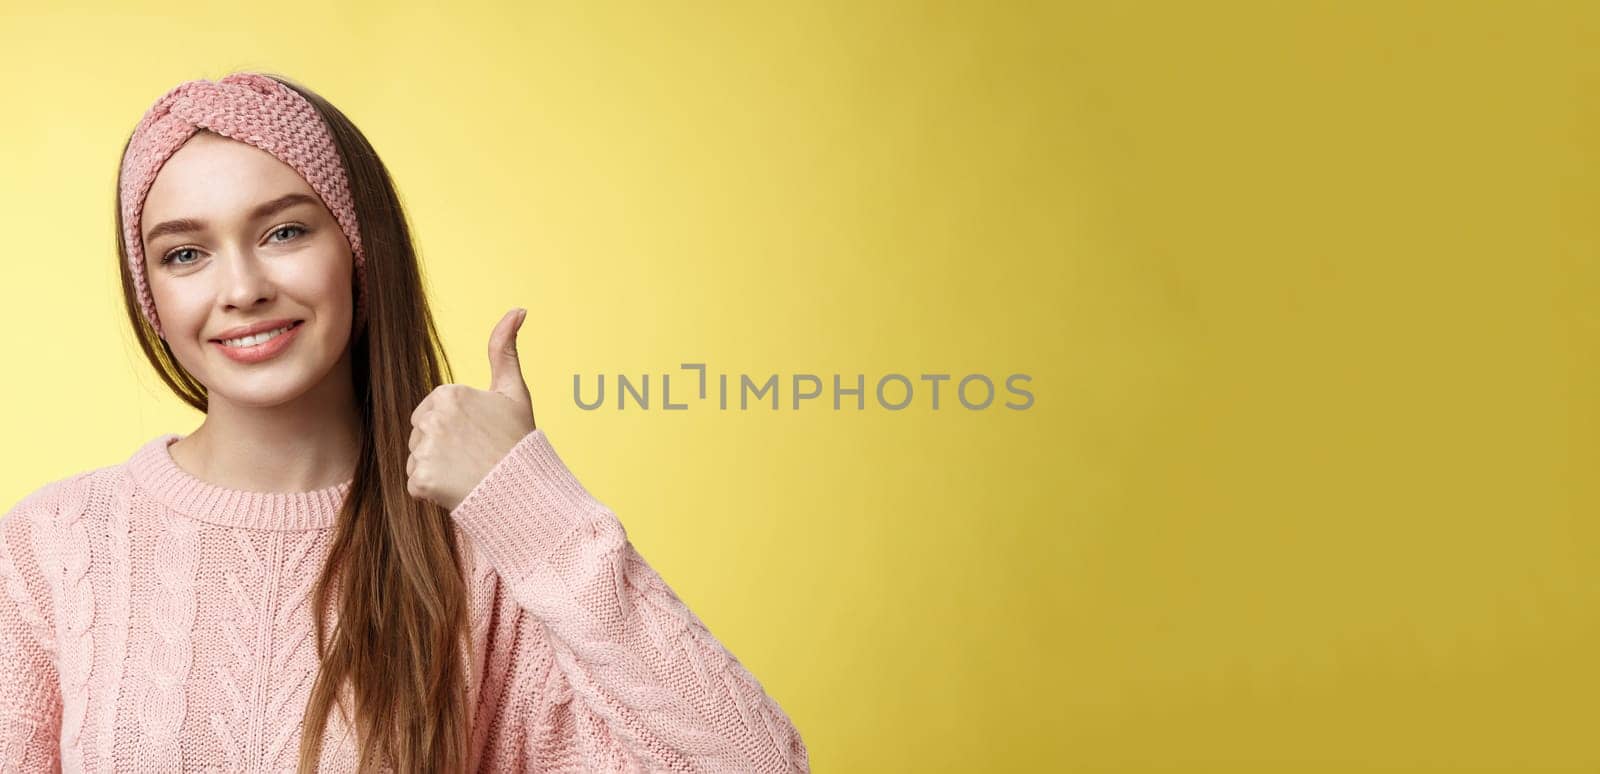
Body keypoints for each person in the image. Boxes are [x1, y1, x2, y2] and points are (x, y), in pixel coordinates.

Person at [0, 71, 809, 773]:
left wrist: (533, 506)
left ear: (358, 249)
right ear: (152, 294)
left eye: (284, 231)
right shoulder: (53, 549)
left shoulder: (482, 555)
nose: (241, 287)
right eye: (186, 253)